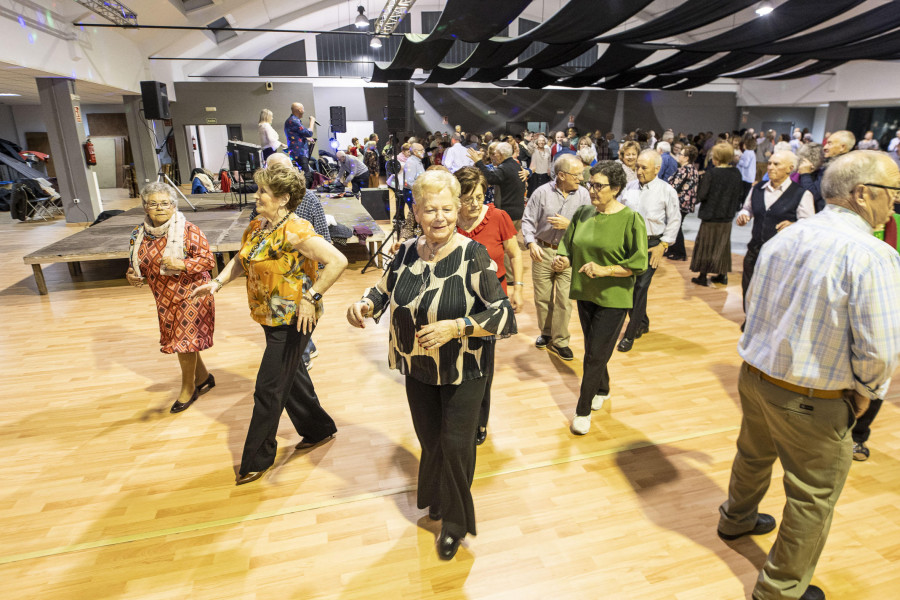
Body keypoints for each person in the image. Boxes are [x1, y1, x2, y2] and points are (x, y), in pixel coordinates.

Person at [717, 150, 900, 600]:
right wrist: (867, 395)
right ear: (863, 194)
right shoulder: (873, 254)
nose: (894, 203)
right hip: (811, 396)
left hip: (757, 375)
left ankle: (735, 519)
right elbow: (880, 347)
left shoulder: (788, 236)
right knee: (811, 497)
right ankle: (779, 590)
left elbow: (753, 305)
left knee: (753, 455)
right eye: (893, 192)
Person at [346, 169, 516, 561]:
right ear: (416, 213)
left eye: (446, 209)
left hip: (463, 368)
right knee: (432, 442)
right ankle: (438, 498)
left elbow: (504, 316)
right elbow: (383, 289)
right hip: (418, 366)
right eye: (429, 209)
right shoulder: (406, 250)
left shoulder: (473, 255)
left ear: (457, 210)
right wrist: (365, 305)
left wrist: (457, 327)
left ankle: (454, 526)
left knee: (457, 446)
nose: (438, 217)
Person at [191, 164, 348, 486]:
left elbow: (338, 260)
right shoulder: (258, 226)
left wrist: (312, 296)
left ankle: (257, 458)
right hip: (268, 317)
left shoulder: (297, 230)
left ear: (283, 198)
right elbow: (242, 258)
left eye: (263, 191)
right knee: (292, 376)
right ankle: (319, 429)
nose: (257, 195)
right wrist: (218, 282)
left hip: (294, 319)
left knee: (268, 387)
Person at [553, 161, 648, 435]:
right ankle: (603, 388)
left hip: (614, 298)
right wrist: (563, 260)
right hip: (585, 293)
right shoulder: (583, 213)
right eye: (589, 184)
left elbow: (638, 263)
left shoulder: (631, 219)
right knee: (597, 349)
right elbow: (569, 248)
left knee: (594, 355)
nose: (591, 190)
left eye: (598, 186)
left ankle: (582, 411)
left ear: (616, 188)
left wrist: (604, 269)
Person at [126, 182, 216, 414]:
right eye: (153, 204)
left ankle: (189, 388)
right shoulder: (139, 234)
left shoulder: (189, 230)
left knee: (183, 341)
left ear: (174, 206)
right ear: (145, 207)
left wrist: (182, 264)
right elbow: (137, 264)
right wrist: (131, 275)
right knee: (182, 342)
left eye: (165, 203)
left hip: (192, 293)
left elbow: (208, 261)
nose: (160, 208)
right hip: (164, 297)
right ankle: (204, 378)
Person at [454, 166, 523, 445]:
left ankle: (479, 421)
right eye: (466, 199)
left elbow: (515, 254)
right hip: (456, 301)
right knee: (456, 362)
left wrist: (518, 287)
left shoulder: (498, 217)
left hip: (490, 302)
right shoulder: (448, 219)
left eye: (479, 197)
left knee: (483, 365)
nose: (473, 205)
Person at [521, 154, 592, 361]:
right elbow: (527, 221)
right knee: (542, 299)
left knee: (564, 300)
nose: (581, 178)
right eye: (576, 174)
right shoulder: (541, 193)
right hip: (542, 251)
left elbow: (590, 226)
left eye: (581, 174)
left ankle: (561, 342)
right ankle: (546, 333)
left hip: (568, 254)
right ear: (561, 175)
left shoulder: (584, 195)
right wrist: (531, 242)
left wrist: (569, 225)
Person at [617, 149, 680, 352]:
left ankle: (630, 333)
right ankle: (642, 323)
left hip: (652, 245)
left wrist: (663, 246)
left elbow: (674, 220)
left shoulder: (666, 191)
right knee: (628, 286)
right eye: (637, 167)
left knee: (640, 288)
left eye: (644, 168)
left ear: (657, 169)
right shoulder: (630, 187)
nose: (639, 171)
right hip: (629, 244)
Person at [737, 151, 816, 311]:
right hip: (755, 250)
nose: (770, 167)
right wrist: (744, 215)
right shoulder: (758, 188)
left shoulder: (801, 194)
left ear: (790, 168)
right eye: (769, 163)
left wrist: (794, 225)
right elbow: (747, 208)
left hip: (781, 255)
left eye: (776, 164)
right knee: (748, 287)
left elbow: (810, 226)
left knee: (772, 293)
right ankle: (749, 320)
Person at [690, 143, 744, 286]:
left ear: (717, 158)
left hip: (711, 215)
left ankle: (702, 276)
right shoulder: (736, 173)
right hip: (727, 216)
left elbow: (702, 194)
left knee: (706, 245)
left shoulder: (712, 174)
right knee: (722, 245)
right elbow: (739, 193)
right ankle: (722, 274)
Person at [665, 144, 699, 261]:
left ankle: (680, 252)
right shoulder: (693, 169)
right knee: (676, 225)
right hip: (686, 203)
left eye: (681, 154)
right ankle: (672, 249)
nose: (679, 156)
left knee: (676, 226)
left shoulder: (685, 169)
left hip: (680, 203)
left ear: (687, 158)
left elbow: (674, 185)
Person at [284, 102, 316, 184]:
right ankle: (305, 195)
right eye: (303, 109)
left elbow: (296, 134)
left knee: (304, 174)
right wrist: (312, 122)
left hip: (296, 152)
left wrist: (306, 139)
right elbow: (309, 133)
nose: (304, 111)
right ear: (299, 110)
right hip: (299, 153)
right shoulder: (294, 121)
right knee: (306, 176)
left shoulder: (291, 120)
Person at [737, 134, 758, 199]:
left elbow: (745, 164)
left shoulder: (747, 152)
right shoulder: (752, 153)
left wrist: (738, 160)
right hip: (749, 177)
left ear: (746, 145)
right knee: (746, 193)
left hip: (745, 177)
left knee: (743, 193)